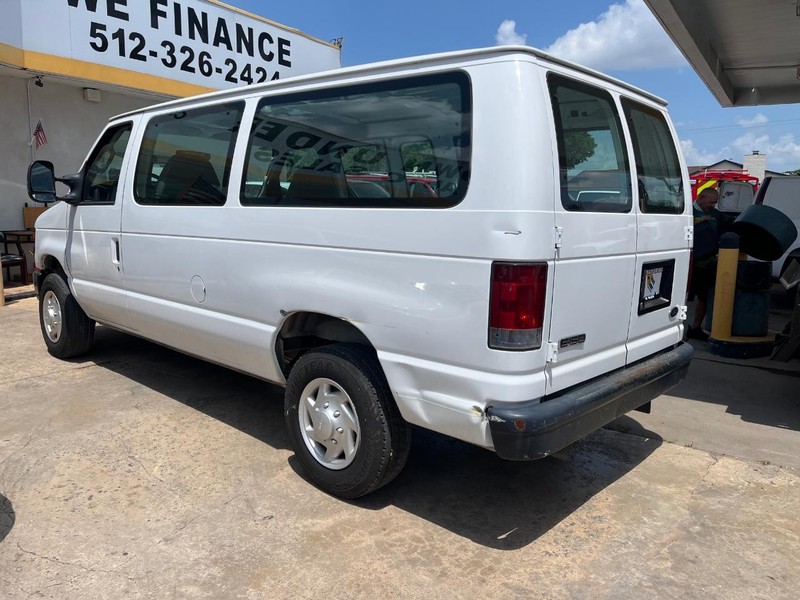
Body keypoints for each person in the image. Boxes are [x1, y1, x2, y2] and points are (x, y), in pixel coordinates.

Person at [687, 187, 734, 340]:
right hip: (687, 263)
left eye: (715, 203)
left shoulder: (714, 214)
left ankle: (695, 328)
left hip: (706, 263)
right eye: (710, 202)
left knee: (704, 296)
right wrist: (699, 220)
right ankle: (676, 327)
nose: (712, 206)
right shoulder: (687, 211)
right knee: (682, 296)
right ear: (700, 198)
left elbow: (730, 222)